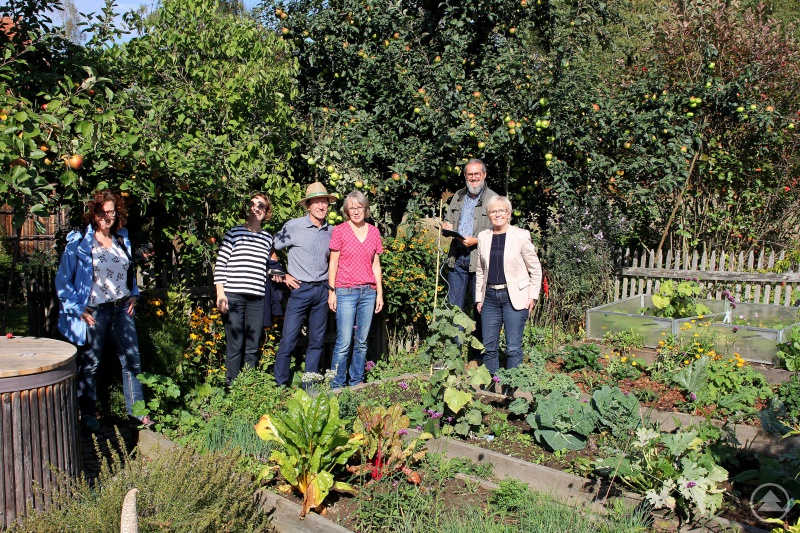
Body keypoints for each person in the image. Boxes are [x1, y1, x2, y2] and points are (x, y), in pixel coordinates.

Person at [55, 189, 151, 431]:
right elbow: (63, 281)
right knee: (90, 363)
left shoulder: (122, 239)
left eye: (111, 212)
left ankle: (137, 414)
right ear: (94, 213)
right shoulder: (80, 243)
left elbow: (126, 272)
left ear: (116, 214)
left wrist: (135, 294)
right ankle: (87, 413)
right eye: (102, 212)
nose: (106, 217)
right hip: (95, 311)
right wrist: (76, 308)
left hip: (122, 311)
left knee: (132, 361)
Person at [272, 182, 337, 387]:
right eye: (316, 202)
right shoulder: (294, 226)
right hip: (300, 290)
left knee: (316, 341)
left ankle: (309, 384)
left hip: (322, 290)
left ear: (328, 204)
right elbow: (271, 247)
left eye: (324, 202)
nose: (320, 206)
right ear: (308, 205)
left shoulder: (332, 231)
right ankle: (280, 385)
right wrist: (281, 274)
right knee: (289, 339)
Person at [475, 196, 542, 377]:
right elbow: (480, 270)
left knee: (513, 347)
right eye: (493, 211)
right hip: (489, 297)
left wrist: (532, 296)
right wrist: (478, 298)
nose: (498, 215)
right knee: (489, 347)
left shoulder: (520, 236)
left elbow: (535, 268)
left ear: (509, 214)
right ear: (489, 215)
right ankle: (491, 384)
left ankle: (511, 389)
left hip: (515, 297)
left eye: (502, 211)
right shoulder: (483, 237)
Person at [214, 192, 275, 386]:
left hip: (256, 299)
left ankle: (247, 388)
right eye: (253, 204)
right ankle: (231, 387)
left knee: (252, 345)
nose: (257, 208)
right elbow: (220, 264)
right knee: (235, 345)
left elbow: (272, 265)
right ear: (247, 207)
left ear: (266, 212)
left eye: (262, 205)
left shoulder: (267, 238)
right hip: (233, 296)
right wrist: (220, 294)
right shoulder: (234, 233)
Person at [328, 191, 384, 388]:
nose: (356, 211)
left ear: (365, 209)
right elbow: (333, 264)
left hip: (368, 293)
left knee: (361, 341)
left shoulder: (374, 232)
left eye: (359, 207)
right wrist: (331, 291)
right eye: (352, 207)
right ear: (346, 211)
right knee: (343, 343)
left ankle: (357, 382)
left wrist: (379, 293)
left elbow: (376, 265)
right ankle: (336, 385)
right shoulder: (340, 231)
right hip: (345, 292)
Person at [441, 159, 498, 350]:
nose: (473, 178)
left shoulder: (493, 199)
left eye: (477, 174)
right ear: (465, 176)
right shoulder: (458, 196)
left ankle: (479, 355)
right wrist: (446, 227)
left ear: (484, 175)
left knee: (480, 307)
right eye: (469, 175)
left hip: (480, 261)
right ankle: (453, 354)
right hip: (457, 258)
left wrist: (477, 240)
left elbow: (498, 231)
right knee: (454, 308)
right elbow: (448, 220)